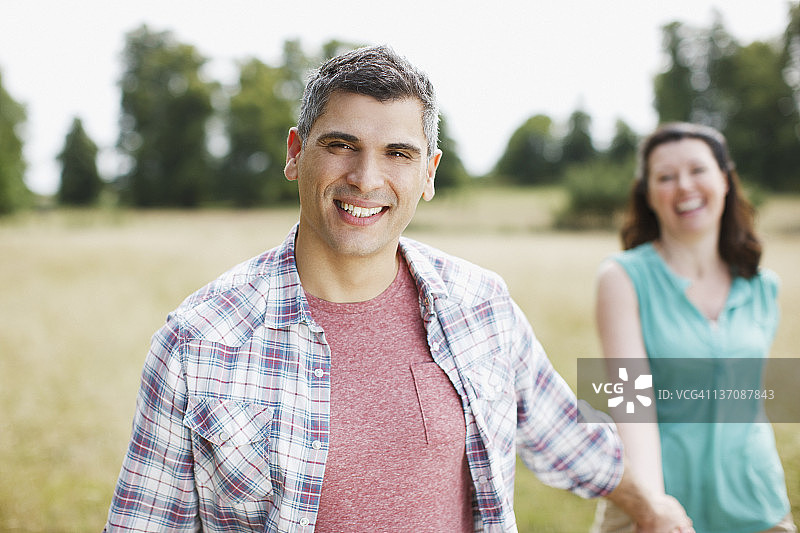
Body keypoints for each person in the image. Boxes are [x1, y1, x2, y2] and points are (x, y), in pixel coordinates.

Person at [105, 45, 692, 532]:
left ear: (428, 173)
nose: (366, 178)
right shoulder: (198, 342)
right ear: (294, 153)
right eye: (341, 145)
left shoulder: (481, 306)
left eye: (398, 154)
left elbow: (563, 433)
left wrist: (652, 508)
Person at [591, 122, 796, 533]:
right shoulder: (622, 278)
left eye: (697, 170)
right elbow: (632, 404)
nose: (684, 186)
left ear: (725, 179)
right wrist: (655, 509)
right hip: (657, 498)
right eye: (665, 177)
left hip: (753, 494)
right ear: (648, 194)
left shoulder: (762, 285)